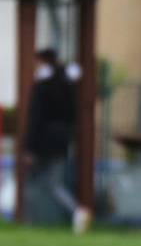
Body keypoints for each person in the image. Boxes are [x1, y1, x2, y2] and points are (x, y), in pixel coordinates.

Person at [24, 48, 91, 234]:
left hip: (41, 142)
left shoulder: (42, 86)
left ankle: (31, 222)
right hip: (61, 141)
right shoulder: (68, 85)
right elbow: (74, 115)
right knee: (53, 183)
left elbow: (35, 118)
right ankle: (77, 211)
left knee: (32, 182)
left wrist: (29, 147)